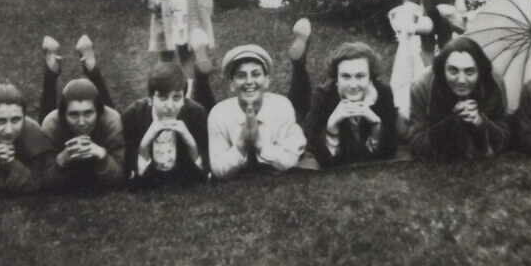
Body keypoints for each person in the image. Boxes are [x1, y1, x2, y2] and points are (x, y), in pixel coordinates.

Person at [287, 19, 398, 167]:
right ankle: (298, 65)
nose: (353, 85)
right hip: (307, 115)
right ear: (336, 79)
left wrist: (376, 125)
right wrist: (332, 126)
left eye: (360, 76)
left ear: (371, 78)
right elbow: (316, 152)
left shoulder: (383, 93)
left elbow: (390, 150)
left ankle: (299, 65)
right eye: (346, 76)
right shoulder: (323, 95)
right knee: (299, 111)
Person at [121, 30, 215, 188]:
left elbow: (204, 176)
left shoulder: (195, 113)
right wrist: (144, 145)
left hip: (194, 115)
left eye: (177, 98)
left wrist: (190, 142)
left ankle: (200, 71)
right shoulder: (133, 115)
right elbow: (132, 180)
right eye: (163, 98)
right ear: (150, 99)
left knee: (207, 102)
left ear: (184, 99)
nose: (170, 106)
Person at [38, 35, 126, 191]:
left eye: (88, 114)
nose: (81, 122)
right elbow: (43, 181)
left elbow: (121, 177)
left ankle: (91, 66)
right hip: (55, 124)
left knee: (108, 112)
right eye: (73, 115)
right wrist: (61, 159)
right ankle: (51, 70)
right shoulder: (52, 123)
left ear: (98, 113)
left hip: (105, 118)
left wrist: (103, 155)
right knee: (44, 122)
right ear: (63, 115)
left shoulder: (111, 120)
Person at [207, 44, 306, 179]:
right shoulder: (219, 114)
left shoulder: (282, 107)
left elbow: (290, 161)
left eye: (256, 74)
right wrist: (241, 144)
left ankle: (299, 62)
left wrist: (260, 144)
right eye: (241, 76)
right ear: (232, 84)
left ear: (266, 81)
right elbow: (218, 170)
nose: (249, 81)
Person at [408, 36, 509, 161]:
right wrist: (451, 122)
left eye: (470, 72)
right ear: (442, 69)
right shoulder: (422, 86)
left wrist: (481, 122)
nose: (461, 80)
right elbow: (416, 144)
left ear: (481, 71)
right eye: (453, 71)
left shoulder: (494, 82)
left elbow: (505, 137)